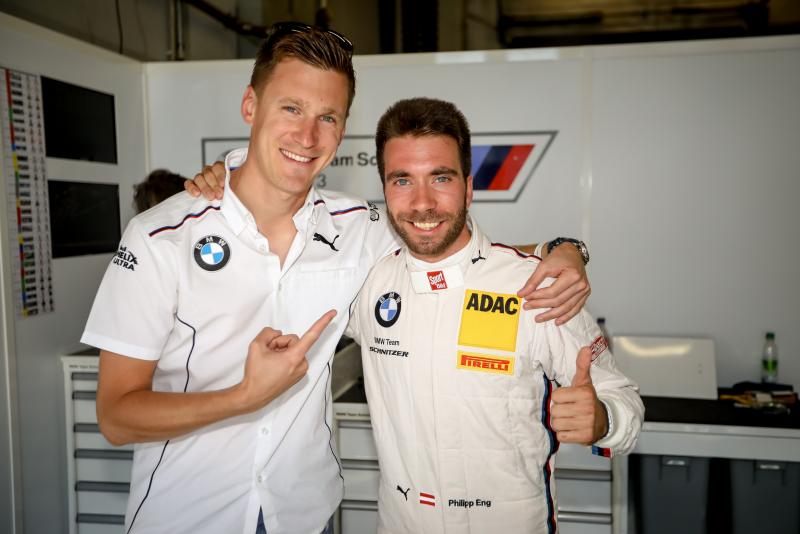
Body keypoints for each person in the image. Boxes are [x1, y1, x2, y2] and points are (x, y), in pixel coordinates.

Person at [83, 23, 590, 534]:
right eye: (291, 108)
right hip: (188, 518)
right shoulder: (159, 237)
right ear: (250, 106)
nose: (308, 137)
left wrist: (564, 249)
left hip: (303, 517)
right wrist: (242, 397)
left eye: (328, 117)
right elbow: (116, 417)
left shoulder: (359, 229)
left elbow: (450, 245)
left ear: (343, 128)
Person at [342, 97, 644, 533]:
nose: (422, 202)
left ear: (468, 188)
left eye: (440, 178)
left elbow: (624, 398)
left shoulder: (534, 286)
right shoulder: (368, 284)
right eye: (402, 180)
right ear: (385, 189)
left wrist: (604, 418)